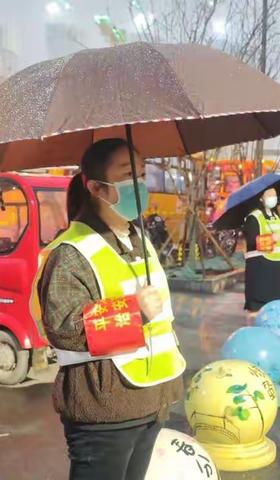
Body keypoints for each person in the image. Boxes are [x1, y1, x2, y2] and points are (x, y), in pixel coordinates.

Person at [31, 139, 185, 480]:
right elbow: (65, 329)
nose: (141, 184)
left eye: (143, 173)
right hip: (104, 410)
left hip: (150, 400)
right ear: (97, 187)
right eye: (130, 174)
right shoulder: (70, 253)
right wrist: (134, 312)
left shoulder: (137, 239)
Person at [243, 188, 280, 316]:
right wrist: (271, 240)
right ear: (261, 198)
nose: (273, 198)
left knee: (275, 306)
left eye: (274, 195)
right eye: (269, 195)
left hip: (277, 269)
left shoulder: (276, 216)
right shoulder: (254, 217)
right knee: (259, 308)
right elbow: (252, 242)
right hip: (261, 267)